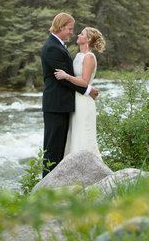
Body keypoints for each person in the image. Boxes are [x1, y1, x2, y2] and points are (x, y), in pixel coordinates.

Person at [40, 13, 99, 176]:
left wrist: (86, 88)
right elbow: (63, 79)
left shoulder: (59, 45)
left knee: (61, 146)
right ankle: (46, 185)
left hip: (65, 105)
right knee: (53, 149)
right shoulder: (52, 47)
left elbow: (69, 76)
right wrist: (88, 90)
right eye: (70, 29)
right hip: (56, 105)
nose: (72, 33)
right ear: (61, 27)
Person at [54, 26, 105, 157]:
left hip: (84, 102)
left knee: (84, 134)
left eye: (82, 34)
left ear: (88, 39)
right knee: (75, 134)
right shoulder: (78, 55)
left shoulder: (89, 57)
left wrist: (67, 76)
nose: (78, 35)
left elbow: (84, 82)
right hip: (75, 100)